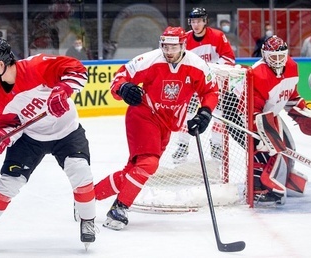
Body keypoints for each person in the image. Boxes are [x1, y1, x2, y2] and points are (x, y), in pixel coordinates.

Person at [0, 38, 97, 249]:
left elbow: (78, 70)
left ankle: (88, 221)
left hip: (66, 131)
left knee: (81, 172)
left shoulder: (36, 66)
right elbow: (9, 126)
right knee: (9, 182)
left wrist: (62, 91)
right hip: (31, 138)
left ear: (1, 63)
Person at [93, 26, 218, 230]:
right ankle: (119, 208)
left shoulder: (197, 65)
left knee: (134, 170)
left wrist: (205, 112)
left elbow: (211, 90)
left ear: (183, 46)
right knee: (149, 164)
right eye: (165, 46)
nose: (169, 51)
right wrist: (124, 88)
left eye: (173, 47)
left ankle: (88, 197)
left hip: (166, 124)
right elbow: (118, 78)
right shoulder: (149, 60)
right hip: (143, 115)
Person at [248, 35, 311, 204]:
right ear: (265, 56)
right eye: (274, 57)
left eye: (281, 56)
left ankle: (283, 178)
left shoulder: (292, 66)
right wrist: (262, 132)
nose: (278, 61)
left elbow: (291, 96)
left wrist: (302, 110)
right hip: (246, 117)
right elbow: (251, 110)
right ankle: (260, 187)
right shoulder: (257, 74)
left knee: (288, 147)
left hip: (269, 115)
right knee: (267, 150)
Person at [171, 7, 236, 163]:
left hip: (214, 85)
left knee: (219, 116)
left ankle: (216, 146)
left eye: (199, 21)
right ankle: (182, 146)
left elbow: (229, 59)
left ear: (205, 21)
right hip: (192, 86)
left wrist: (208, 69)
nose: (196, 24)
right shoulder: (185, 39)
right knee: (186, 114)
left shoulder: (218, 36)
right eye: (193, 21)